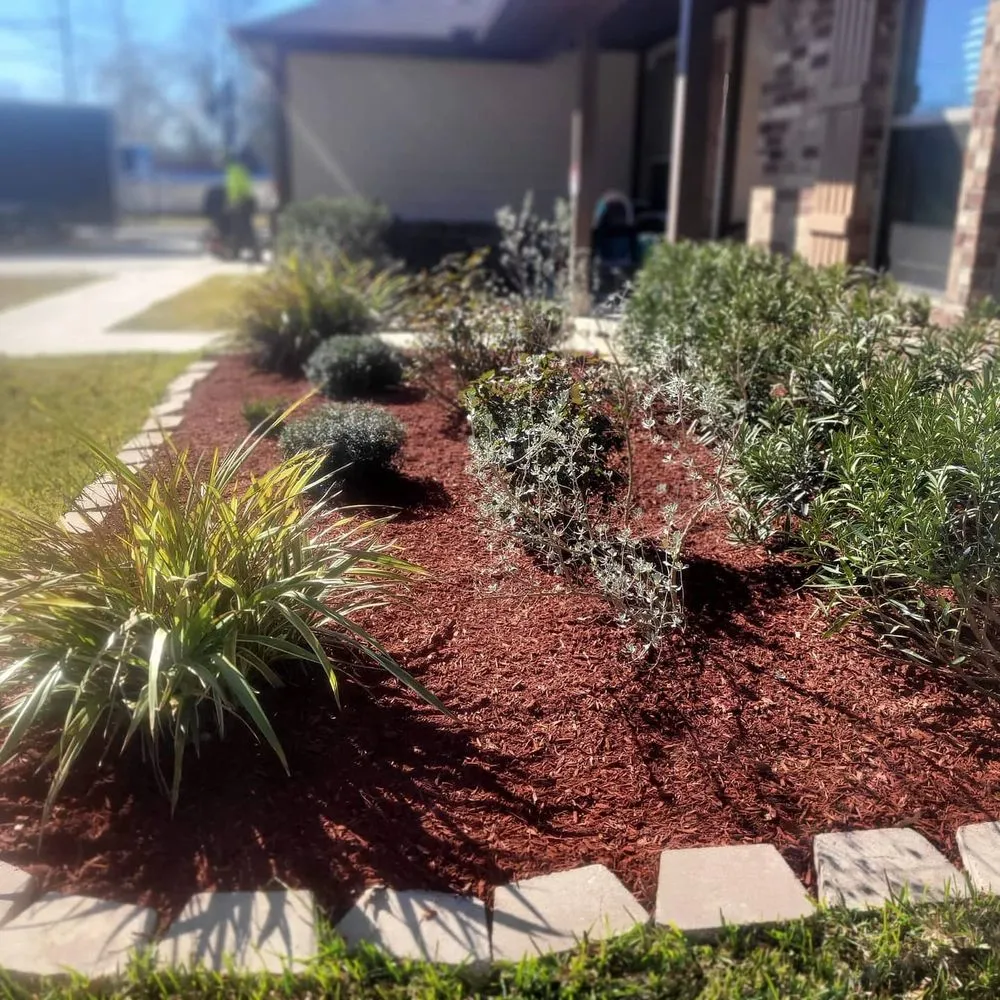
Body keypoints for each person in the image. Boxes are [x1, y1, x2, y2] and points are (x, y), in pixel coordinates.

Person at [225, 155, 260, 261]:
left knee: (241, 228)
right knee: (243, 228)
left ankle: (241, 252)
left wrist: (233, 202)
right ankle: (244, 252)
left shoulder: (233, 171)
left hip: (241, 202)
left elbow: (236, 188)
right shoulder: (240, 169)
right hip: (246, 201)